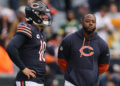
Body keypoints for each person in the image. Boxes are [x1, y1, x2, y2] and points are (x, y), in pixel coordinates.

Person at [6, 1, 51, 86]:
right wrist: (23, 68)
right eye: (41, 14)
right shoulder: (28, 28)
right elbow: (11, 47)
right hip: (28, 79)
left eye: (45, 14)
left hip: (38, 79)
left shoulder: (42, 32)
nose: (45, 16)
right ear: (33, 15)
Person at [58, 14, 110, 86]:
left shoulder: (102, 44)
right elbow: (61, 61)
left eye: (93, 21)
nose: (91, 23)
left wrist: (92, 74)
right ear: (81, 23)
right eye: (87, 21)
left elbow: (104, 66)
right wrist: (72, 73)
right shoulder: (69, 40)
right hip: (71, 83)